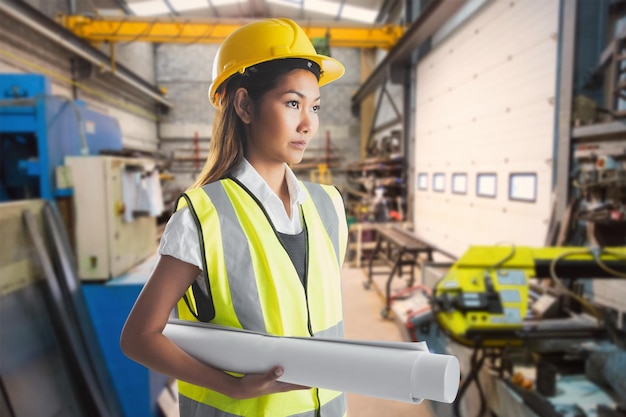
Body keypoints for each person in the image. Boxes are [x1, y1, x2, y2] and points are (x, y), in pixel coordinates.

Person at [120, 17, 349, 417]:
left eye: (314, 106)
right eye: (292, 103)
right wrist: (230, 387)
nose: (308, 124)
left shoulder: (328, 206)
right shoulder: (203, 215)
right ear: (244, 104)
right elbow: (139, 337)